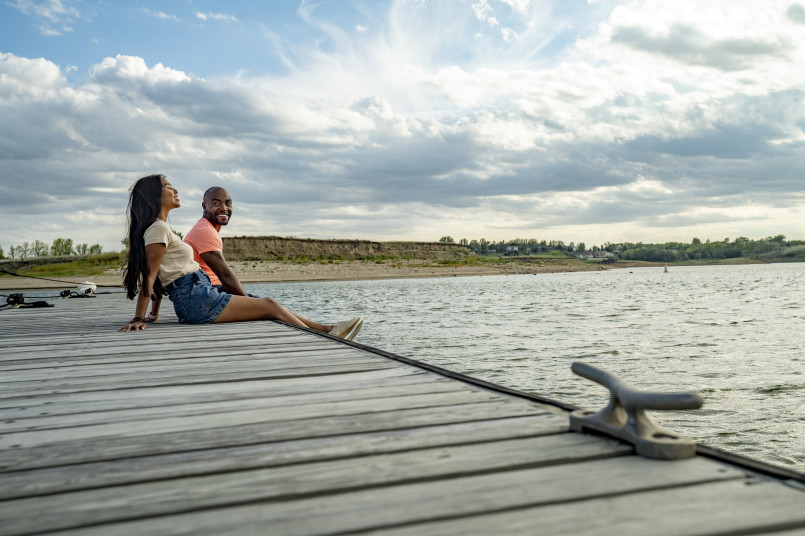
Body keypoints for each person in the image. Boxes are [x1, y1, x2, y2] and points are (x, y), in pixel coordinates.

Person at [119, 174, 362, 340]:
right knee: (269, 305)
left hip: (197, 294)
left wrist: (154, 314)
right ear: (153, 195)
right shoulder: (158, 229)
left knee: (263, 302)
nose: (175, 189)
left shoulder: (159, 228)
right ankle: (321, 338)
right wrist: (140, 316)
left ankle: (327, 329)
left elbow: (160, 274)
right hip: (195, 299)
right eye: (167, 186)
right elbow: (150, 275)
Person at [183, 186, 249, 296]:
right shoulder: (204, 231)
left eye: (228, 203)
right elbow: (225, 275)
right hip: (208, 291)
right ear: (204, 206)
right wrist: (249, 304)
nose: (224, 208)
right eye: (216, 203)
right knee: (270, 306)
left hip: (213, 289)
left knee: (273, 307)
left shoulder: (206, 228)